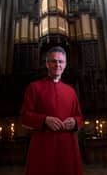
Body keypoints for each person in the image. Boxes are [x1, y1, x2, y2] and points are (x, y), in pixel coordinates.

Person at [21, 46, 84, 175]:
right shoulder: (34, 87)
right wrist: (45, 120)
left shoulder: (71, 91)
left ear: (65, 64)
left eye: (61, 61)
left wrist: (74, 121)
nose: (57, 64)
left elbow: (79, 117)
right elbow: (24, 116)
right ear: (47, 64)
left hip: (67, 147)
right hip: (43, 146)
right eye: (53, 61)